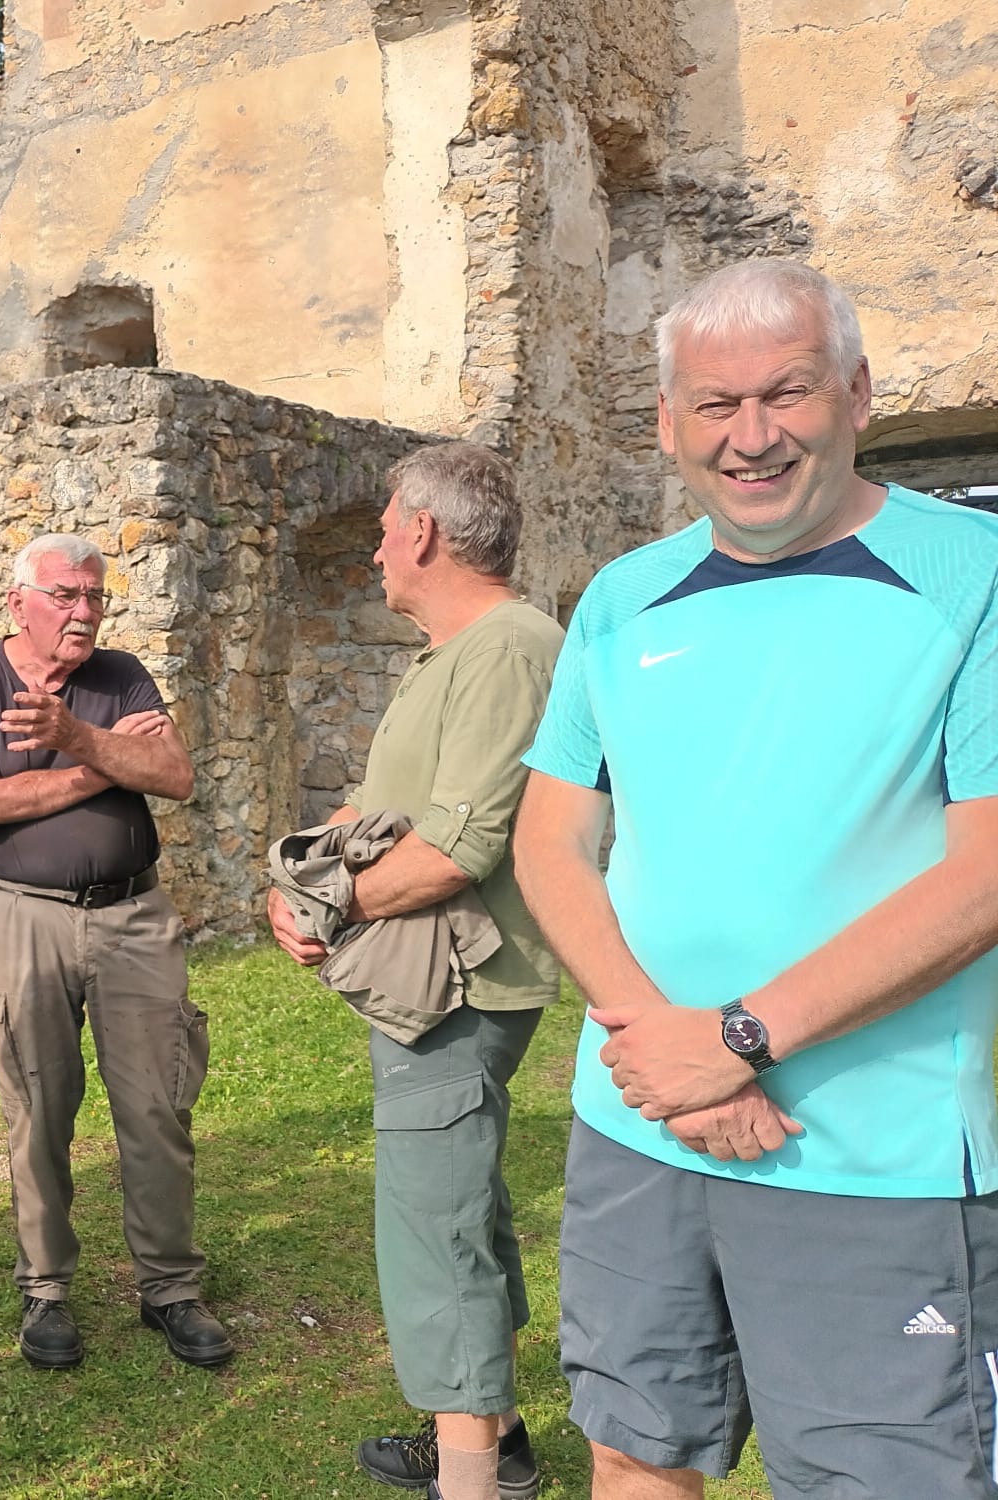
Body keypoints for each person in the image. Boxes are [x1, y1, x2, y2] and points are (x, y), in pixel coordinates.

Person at [513, 259, 998, 1499]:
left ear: (855, 394)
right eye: (713, 405)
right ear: (666, 423)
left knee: (883, 1477)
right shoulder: (621, 600)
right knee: (631, 1448)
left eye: (783, 394)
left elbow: (984, 874)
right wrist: (660, 1052)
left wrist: (738, 1038)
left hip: (865, 1151)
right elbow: (549, 841)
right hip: (637, 1125)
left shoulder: (974, 574)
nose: (751, 437)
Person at [268, 443, 559, 1500]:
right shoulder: (453, 652)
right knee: (458, 1211)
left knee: (431, 1236)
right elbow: (370, 813)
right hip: (434, 985)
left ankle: (470, 1482)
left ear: (425, 532)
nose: (377, 547)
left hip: (462, 989)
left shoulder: (509, 648)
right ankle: (496, 1437)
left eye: (386, 525)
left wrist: (328, 902)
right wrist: (293, 889)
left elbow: (456, 847)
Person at [0, 532, 232, 1371]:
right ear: (19, 603)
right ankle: (45, 1290)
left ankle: (171, 1288)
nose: (84, 612)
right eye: (65, 596)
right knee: (38, 1106)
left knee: (156, 1104)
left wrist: (73, 735)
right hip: (26, 917)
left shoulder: (121, 674)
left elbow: (175, 774)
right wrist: (105, 759)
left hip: (133, 915)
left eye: (95, 597)